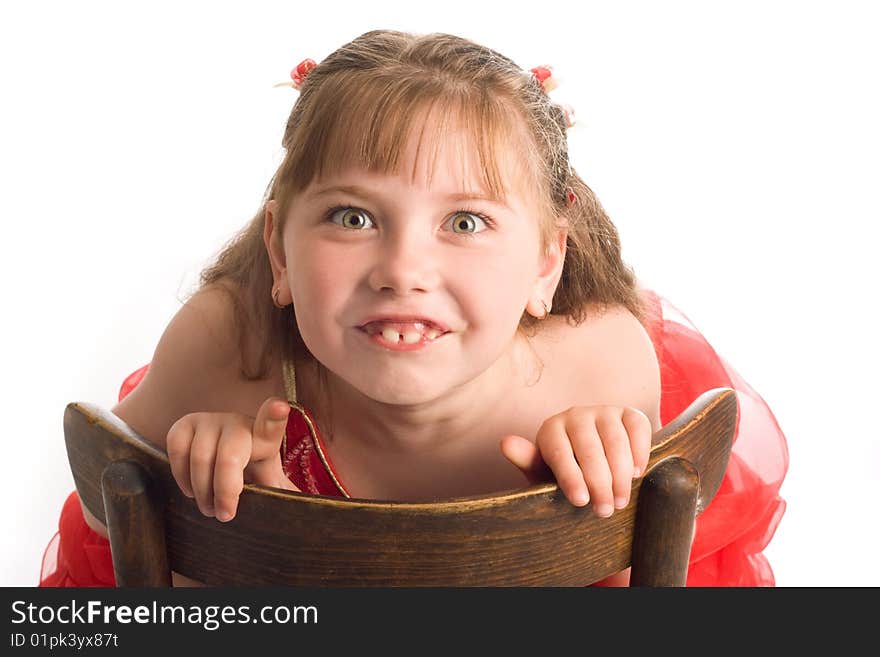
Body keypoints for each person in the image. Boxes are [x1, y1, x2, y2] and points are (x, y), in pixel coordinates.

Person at [39, 29, 788, 588]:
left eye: (465, 223)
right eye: (352, 218)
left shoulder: (593, 360)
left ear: (545, 264)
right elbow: (112, 530)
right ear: (279, 251)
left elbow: (636, 584)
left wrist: (602, 481)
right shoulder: (226, 352)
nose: (403, 271)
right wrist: (203, 498)